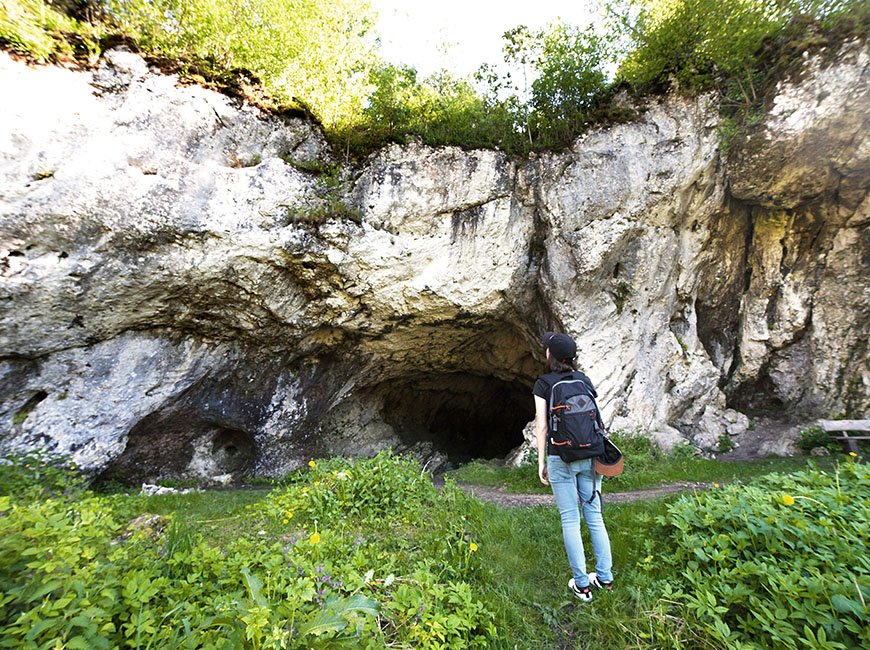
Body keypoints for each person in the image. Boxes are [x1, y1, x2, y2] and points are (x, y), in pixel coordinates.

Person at [533, 331, 614, 603]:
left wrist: (542, 462)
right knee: (595, 518)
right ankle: (605, 578)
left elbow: (542, 426)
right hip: (591, 456)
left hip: (561, 458)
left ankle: (582, 585)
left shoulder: (544, 383)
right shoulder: (584, 380)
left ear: (551, 355)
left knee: (570, 519)